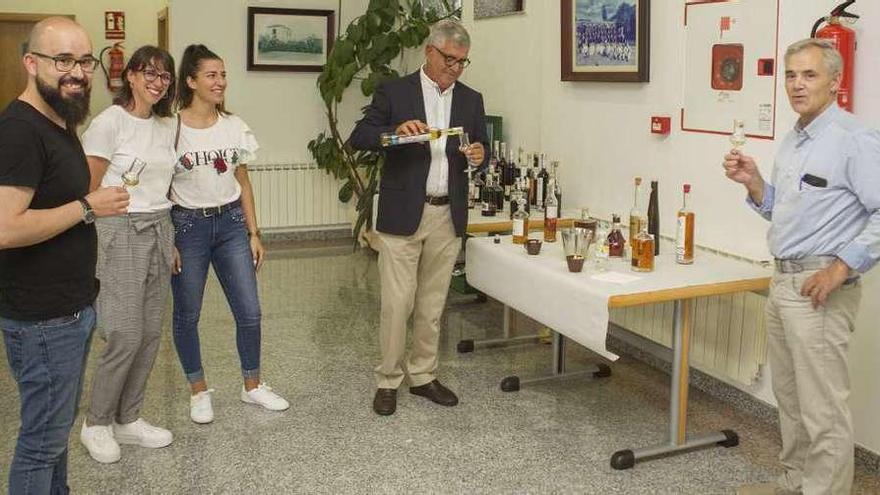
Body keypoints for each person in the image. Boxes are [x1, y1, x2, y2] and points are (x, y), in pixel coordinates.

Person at [724, 39, 880, 495]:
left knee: (822, 408)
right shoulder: (795, 139)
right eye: (791, 74)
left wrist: (840, 268)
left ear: (835, 82)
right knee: (791, 400)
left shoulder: (854, 139)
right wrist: (755, 184)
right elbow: (789, 212)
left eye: (809, 75)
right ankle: (795, 483)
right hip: (783, 281)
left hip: (820, 289)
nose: (796, 84)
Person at [0, 17, 129, 493]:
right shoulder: (19, 131)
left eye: (83, 60)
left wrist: (90, 210)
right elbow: (5, 228)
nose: (77, 71)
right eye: (62, 60)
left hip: (68, 310)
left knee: (53, 439)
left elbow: (61, 207)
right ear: (31, 63)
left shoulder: (61, 121)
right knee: (41, 443)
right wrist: (87, 206)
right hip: (43, 320)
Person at [348, 20, 488, 416]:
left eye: (462, 62)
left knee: (432, 303)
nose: (455, 68)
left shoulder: (471, 99)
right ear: (430, 51)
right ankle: (388, 379)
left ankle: (423, 376)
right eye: (449, 59)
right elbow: (360, 135)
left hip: (449, 213)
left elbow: (481, 147)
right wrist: (395, 130)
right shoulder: (395, 91)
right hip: (403, 212)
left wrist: (480, 155)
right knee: (397, 303)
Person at [170, 44, 289, 424]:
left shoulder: (234, 126)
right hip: (187, 227)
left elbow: (244, 181)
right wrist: (166, 240)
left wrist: (254, 232)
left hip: (232, 226)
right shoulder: (170, 128)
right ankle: (198, 390)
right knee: (187, 315)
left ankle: (252, 386)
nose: (220, 82)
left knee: (250, 312)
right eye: (211, 75)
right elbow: (158, 188)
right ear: (190, 81)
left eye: (222, 75)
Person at [78, 45, 177, 464]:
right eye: (149, 74)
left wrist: (169, 242)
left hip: (158, 227)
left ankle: (128, 418)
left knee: (152, 331)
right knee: (124, 332)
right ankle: (96, 423)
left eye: (164, 76)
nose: (157, 82)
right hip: (119, 231)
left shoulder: (166, 125)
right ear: (130, 76)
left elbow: (162, 187)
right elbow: (86, 191)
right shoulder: (108, 122)